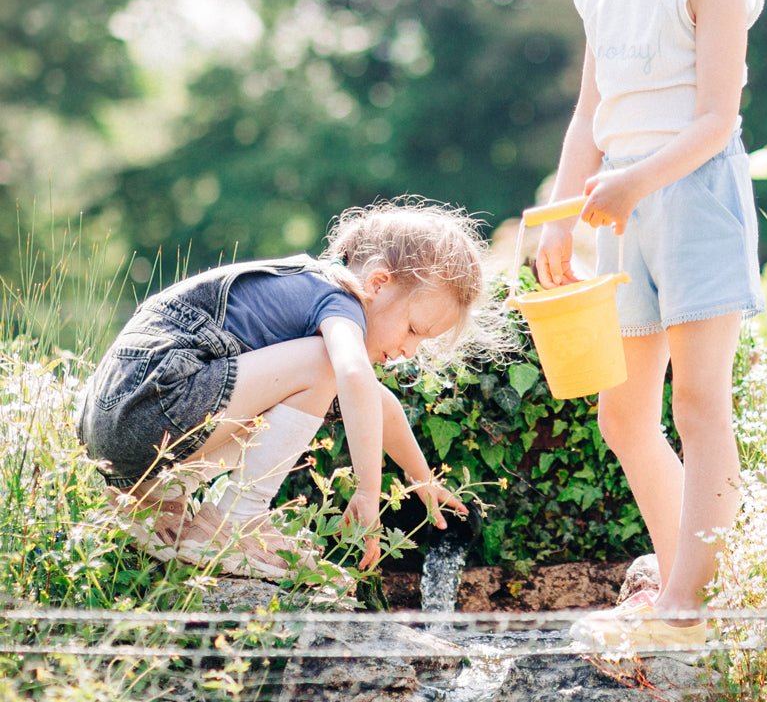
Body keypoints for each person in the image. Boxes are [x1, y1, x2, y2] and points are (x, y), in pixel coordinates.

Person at [535, 0, 765, 650]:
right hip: (615, 204)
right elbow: (592, 111)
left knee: (700, 403)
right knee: (623, 412)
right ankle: (685, 575)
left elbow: (716, 120)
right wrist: (563, 211)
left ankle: (692, 598)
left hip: (694, 196)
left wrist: (633, 184)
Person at [78, 198, 505, 581]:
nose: (410, 350)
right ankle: (234, 520)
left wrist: (421, 479)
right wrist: (367, 491)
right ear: (378, 283)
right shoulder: (340, 301)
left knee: (333, 373)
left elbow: (380, 402)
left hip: (115, 424)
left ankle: (151, 499)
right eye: (413, 329)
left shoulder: (311, 289)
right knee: (327, 364)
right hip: (153, 408)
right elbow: (354, 375)